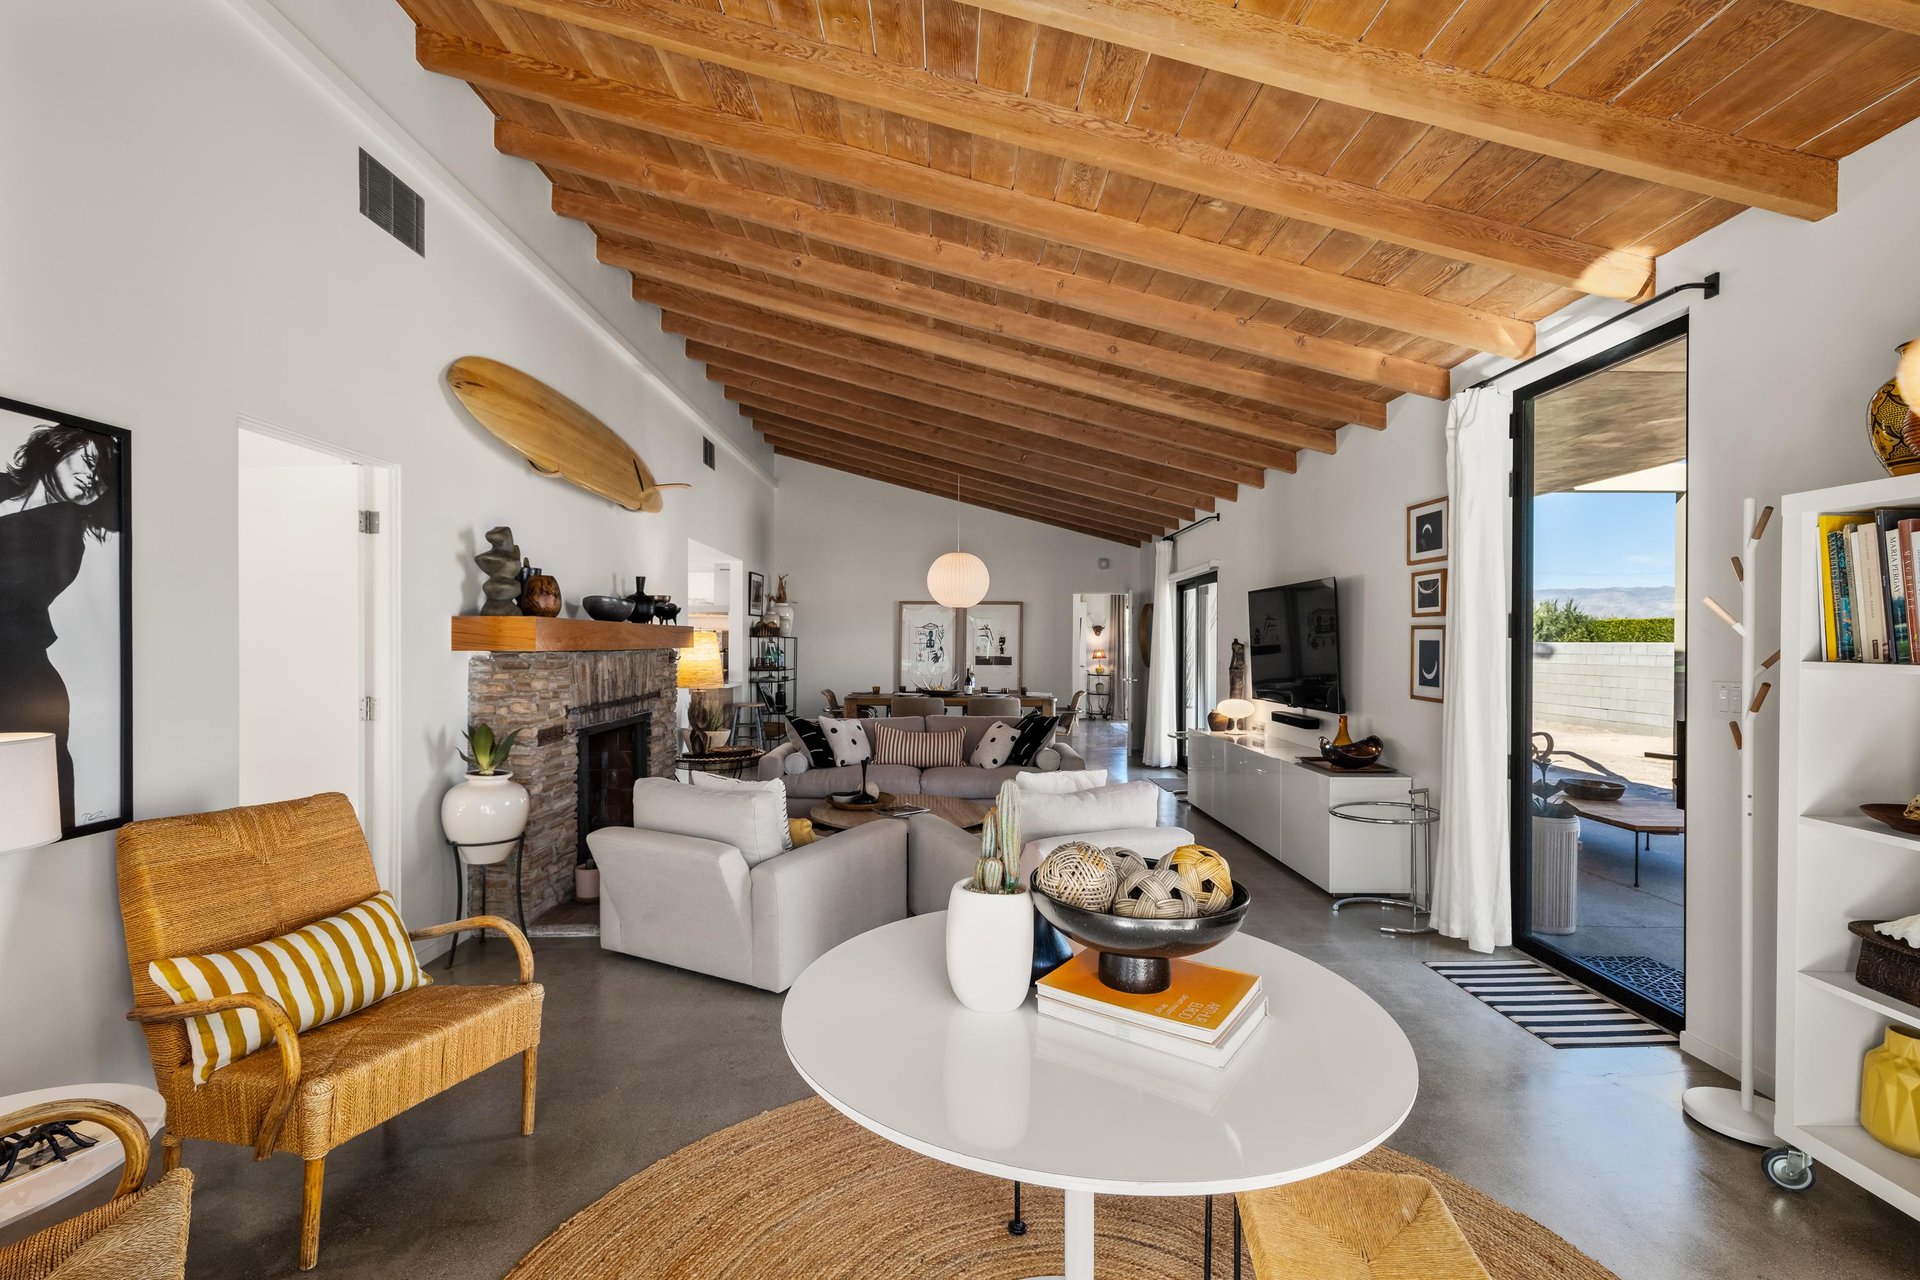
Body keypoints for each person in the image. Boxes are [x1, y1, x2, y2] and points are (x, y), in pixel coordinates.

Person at [0, 423, 120, 833]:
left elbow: (15, 592)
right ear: (57, 447)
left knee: (35, 816)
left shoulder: (65, 537)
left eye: (102, 478)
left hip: (19, 685)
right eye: (88, 460)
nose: (91, 476)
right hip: (23, 685)